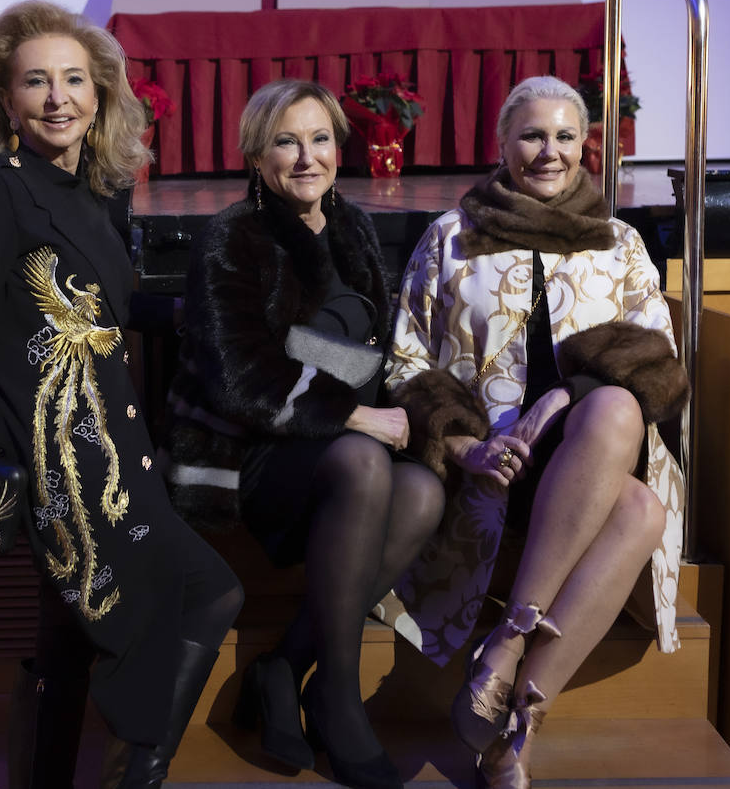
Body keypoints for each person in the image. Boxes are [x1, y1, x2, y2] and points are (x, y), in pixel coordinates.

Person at [0, 0, 242, 789]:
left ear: (100, 95)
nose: (58, 98)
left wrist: (196, 313)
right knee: (209, 591)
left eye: (74, 80)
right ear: (7, 100)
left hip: (114, 446)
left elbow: (97, 310)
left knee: (66, 636)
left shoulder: (91, 190)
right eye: (36, 82)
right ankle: (138, 776)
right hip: (61, 455)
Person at [381, 75, 689, 788]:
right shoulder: (452, 238)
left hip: (594, 458)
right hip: (495, 470)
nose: (548, 152)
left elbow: (660, 367)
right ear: (501, 144)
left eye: (564, 137)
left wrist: (564, 398)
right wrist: (464, 443)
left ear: (585, 146)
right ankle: (514, 719)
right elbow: (405, 360)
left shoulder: (619, 243)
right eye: (531, 135)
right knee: (638, 511)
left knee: (615, 416)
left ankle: (515, 673)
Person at [163, 79, 444, 789]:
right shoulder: (233, 234)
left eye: (319, 138)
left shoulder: (349, 225)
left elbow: (368, 350)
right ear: (258, 155)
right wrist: (352, 411)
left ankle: (288, 666)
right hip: (253, 455)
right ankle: (339, 700)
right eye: (286, 141)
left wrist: (391, 403)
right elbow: (240, 376)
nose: (306, 156)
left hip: (333, 450)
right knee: (364, 461)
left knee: (423, 493)